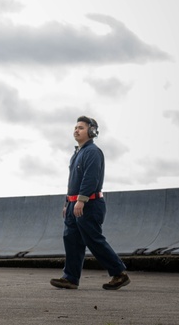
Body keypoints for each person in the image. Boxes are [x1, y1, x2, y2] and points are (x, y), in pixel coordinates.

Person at [50, 116, 130, 291]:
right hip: (74, 205)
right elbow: (73, 181)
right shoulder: (76, 154)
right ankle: (70, 278)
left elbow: (90, 178)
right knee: (71, 240)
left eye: (81, 127)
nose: (76, 130)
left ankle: (119, 273)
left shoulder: (93, 152)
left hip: (89, 204)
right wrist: (67, 203)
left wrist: (81, 200)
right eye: (75, 127)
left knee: (93, 240)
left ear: (92, 131)